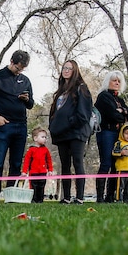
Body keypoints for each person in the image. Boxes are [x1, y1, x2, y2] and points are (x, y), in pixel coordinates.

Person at [0, 50, 33, 203]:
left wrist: (26, 99)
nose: (20, 71)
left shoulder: (25, 80)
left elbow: (31, 104)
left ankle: (11, 196)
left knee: (16, 163)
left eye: (22, 69)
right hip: (3, 125)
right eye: (18, 68)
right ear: (12, 62)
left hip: (21, 125)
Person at [48, 59, 93, 204]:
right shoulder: (61, 91)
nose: (66, 70)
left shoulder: (82, 88)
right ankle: (66, 197)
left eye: (69, 68)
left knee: (78, 162)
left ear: (75, 71)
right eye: (64, 68)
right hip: (61, 134)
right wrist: (54, 126)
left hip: (76, 133)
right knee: (64, 164)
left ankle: (80, 197)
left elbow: (84, 114)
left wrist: (70, 122)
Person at [94, 70, 128, 203]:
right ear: (108, 81)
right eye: (114, 80)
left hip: (118, 135)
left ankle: (110, 196)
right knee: (105, 163)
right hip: (106, 133)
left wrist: (122, 110)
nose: (116, 83)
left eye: (119, 81)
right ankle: (100, 196)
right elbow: (113, 115)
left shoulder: (119, 99)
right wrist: (122, 114)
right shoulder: (103, 97)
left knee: (115, 165)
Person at [22, 127, 53, 203]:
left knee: (41, 186)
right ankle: (34, 200)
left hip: (43, 172)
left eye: (45, 137)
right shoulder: (31, 150)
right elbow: (26, 161)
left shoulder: (45, 150)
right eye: (42, 137)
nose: (45, 139)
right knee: (33, 187)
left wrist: (50, 170)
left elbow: (49, 160)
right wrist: (24, 171)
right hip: (33, 173)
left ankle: (40, 200)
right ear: (35, 138)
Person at [111, 123, 128, 203]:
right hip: (121, 169)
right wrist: (121, 153)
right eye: (126, 133)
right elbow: (114, 153)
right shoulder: (119, 143)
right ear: (122, 134)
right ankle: (118, 199)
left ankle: (127, 200)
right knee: (120, 186)